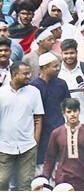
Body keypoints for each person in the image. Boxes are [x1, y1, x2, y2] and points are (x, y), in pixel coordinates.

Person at [41, 98, 84, 191]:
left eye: (75, 111)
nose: (72, 114)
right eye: (69, 112)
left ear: (79, 111)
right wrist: (45, 179)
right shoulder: (56, 133)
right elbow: (50, 158)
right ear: (63, 113)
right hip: (63, 178)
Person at [0, 61, 44, 190]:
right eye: (25, 74)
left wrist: (35, 140)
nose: (29, 76)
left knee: (25, 183)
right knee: (2, 181)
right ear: (14, 74)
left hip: (28, 146)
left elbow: (38, 117)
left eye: (29, 73)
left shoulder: (34, 92)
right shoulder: (1, 93)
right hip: (4, 146)